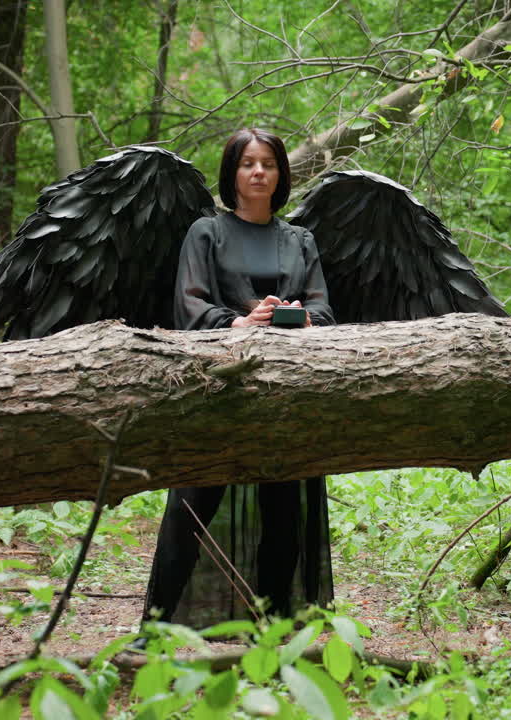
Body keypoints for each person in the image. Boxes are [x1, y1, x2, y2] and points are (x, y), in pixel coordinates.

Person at [142, 129, 336, 629]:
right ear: (232, 174)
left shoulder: (301, 240)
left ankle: (271, 632)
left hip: (288, 393)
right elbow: (189, 305)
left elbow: (324, 309)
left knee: (283, 516)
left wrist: (300, 315)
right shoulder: (206, 232)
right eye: (248, 163)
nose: (258, 172)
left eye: (268, 164)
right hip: (217, 388)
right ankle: (156, 629)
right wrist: (241, 323)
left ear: (280, 174)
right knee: (191, 508)